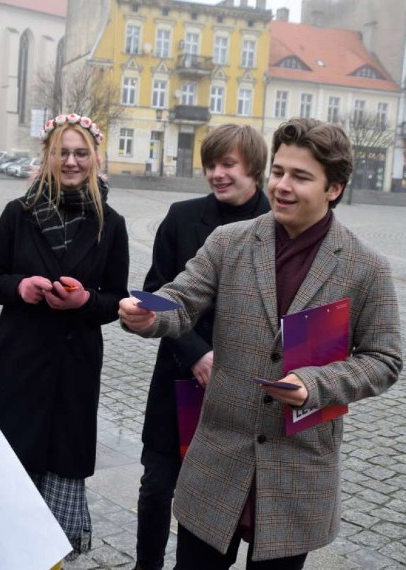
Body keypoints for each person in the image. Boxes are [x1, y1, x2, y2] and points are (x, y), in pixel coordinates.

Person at [119, 117, 402, 569]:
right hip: (219, 457)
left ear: (334, 188)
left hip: (298, 465)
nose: (282, 186)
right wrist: (150, 312)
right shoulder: (229, 242)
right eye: (279, 172)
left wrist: (315, 385)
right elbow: (183, 299)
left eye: (301, 177)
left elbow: (384, 359)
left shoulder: (366, 267)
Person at [0, 113, 129, 559]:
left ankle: (51, 557)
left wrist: (85, 302)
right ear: (47, 156)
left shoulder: (111, 224)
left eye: (80, 153)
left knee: (60, 464)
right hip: (19, 363)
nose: (71, 161)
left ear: (94, 158)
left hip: (73, 367)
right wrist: (21, 287)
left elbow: (116, 299)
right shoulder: (18, 213)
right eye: (62, 152)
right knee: (12, 463)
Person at [134, 124, 271, 570]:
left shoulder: (278, 221)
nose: (216, 174)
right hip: (177, 375)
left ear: (253, 166)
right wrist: (195, 352)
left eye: (227, 164)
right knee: (157, 485)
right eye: (210, 164)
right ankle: (147, 564)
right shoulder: (181, 217)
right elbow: (156, 293)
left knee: (224, 495)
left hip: (243, 392)